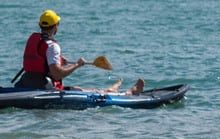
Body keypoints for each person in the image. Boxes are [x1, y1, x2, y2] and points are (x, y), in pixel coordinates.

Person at [15, 10, 145, 93]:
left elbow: (42, 64)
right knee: (85, 91)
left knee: (77, 89)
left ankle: (112, 89)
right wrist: (77, 65)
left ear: (40, 26)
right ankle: (128, 92)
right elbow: (57, 75)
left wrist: (61, 62)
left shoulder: (34, 39)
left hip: (26, 81)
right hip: (43, 87)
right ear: (55, 27)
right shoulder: (52, 46)